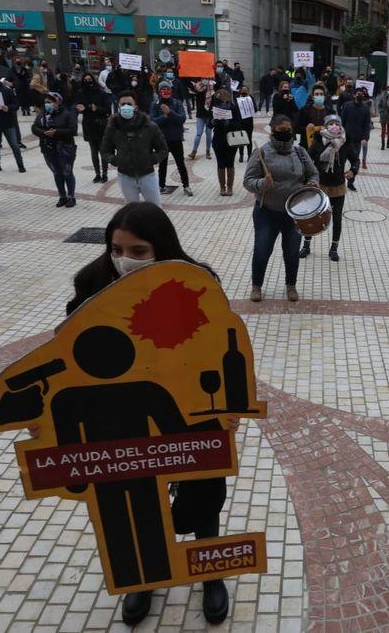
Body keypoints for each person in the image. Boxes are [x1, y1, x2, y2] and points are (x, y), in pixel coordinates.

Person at [62, 202, 235, 626]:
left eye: (139, 250)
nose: (125, 259)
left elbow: (221, 343)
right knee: (133, 497)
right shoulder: (92, 281)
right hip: (121, 413)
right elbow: (68, 353)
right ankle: (142, 576)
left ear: (162, 247)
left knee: (203, 493)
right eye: (116, 248)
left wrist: (231, 404)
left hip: (191, 407)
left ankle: (208, 571)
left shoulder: (197, 279)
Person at [242, 114, 319, 303]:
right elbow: (248, 181)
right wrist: (262, 183)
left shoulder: (300, 152)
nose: (285, 133)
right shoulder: (262, 153)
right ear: (272, 131)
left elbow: (313, 173)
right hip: (266, 212)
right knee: (262, 249)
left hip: (294, 213)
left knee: (292, 251)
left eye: (288, 130)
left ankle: (291, 285)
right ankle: (256, 286)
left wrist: (312, 182)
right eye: (281, 130)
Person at [100, 91, 168, 206]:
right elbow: (105, 151)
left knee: (155, 208)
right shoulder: (112, 128)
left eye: (129, 104)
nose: (126, 106)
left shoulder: (150, 126)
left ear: (135, 107)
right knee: (132, 210)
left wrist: (150, 160)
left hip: (147, 175)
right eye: (123, 104)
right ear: (119, 107)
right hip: (125, 176)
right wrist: (116, 160)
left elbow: (163, 150)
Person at [303, 114, 351, 262]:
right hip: (320, 184)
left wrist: (352, 171)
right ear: (325, 126)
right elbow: (307, 158)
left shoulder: (345, 142)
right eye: (330, 123)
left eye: (337, 123)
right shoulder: (318, 140)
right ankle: (306, 245)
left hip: (338, 186)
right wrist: (308, 176)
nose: (334, 126)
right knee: (312, 215)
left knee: (336, 218)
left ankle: (334, 248)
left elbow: (355, 159)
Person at [32, 91, 79, 207]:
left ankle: (71, 197)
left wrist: (56, 132)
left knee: (67, 172)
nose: (47, 104)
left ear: (57, 102)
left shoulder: (67, 114)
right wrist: (44, 133)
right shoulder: (43, 114)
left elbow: (73, 130)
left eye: (49, 102)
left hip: (65, 149)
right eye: (46, 102)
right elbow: (34, 128)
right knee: (57, 173)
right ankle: (62, 196)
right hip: (48, 148)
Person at [151, 83, 191, 196]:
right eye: (163, 89)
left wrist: (170, 112)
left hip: (176, 139)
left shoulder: (176, 103)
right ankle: (161, 186)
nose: (166, 91)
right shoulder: (155, 104)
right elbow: (153, 121)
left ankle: (186, 186)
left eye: (167, 89)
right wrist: (164, 117)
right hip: (162, 140)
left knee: (180, 163)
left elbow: (182, 119)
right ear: (159, 91)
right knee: (162, 164)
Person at [72, 72, 111, 183]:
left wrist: (97, 109)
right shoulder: (81, 93)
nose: (88, 81)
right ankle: (97, 173)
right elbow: (78, 106)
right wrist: (79, 108)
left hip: (100, 125)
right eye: (86, 80)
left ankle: (105, 173)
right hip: (88, 125)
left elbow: (107, 110)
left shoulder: (101, 93)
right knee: (93, 151)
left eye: (90, 79)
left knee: (102, 151)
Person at [339, 87, 372, 191]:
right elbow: (342, 121)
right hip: (345, 140)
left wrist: (365, 138)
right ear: (354, 95)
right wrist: (340, 133)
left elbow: (367, 125)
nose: (359, 95)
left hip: (357, 140)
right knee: (341, 160)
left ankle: (351, 181)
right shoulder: (347, 106)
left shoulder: (366, 109)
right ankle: (340, 180)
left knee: (355, 161)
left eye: (361, 94)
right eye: (358, 93)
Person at [209, 88, 240, 196]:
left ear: (226, 97)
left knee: (230, 163)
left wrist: (229, 123)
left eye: (220, 95)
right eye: (217, 95)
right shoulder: (213, 108)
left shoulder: (233, 107)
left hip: (231, 139)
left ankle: (230, 187)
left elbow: (238, 123)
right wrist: (213, 122)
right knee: (220, 164)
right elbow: (209, 124)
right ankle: (222, 187)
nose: (218, 97)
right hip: (218, 139)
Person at [189, 80, 213, 160]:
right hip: (200, 115)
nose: (205, 79)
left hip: (209, 115)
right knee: (198, 134)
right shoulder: (198, 88)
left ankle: (208, 151)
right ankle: (194, 151)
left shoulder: (212, 89)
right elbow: (189, 84)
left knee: (209, 134)